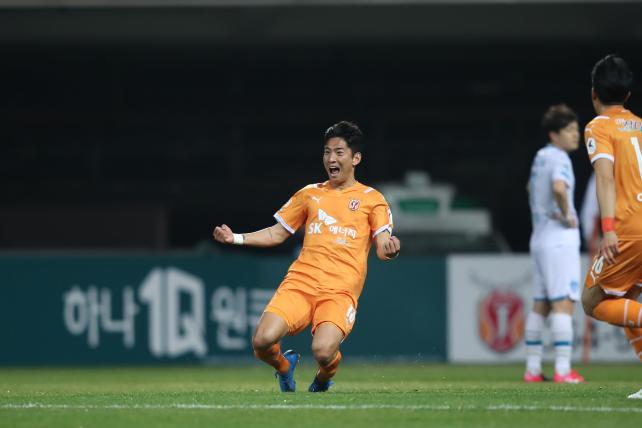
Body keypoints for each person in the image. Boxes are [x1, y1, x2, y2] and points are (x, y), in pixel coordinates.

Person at [212, 121, 401, 393]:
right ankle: (284, 367)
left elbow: (383, 246)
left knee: (323, 352)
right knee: (262, 342)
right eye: (327, 152)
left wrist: (390, 248)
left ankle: (324, 376)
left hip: (339, 292)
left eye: (339, 152)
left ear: (356, 158)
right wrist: (236, 238)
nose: (331, 159)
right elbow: (277, 233)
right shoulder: (310, 194)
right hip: (300, 283)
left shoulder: (373, 200)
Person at [581, 54, 642, 400]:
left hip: (627, 227)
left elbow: (604, 177)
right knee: (627, 298)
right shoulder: (641, 125)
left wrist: (608, 228)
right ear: (628, 95)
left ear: (594, 93)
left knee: (592, 301)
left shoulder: (599, 126)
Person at [524, 104, 585, 383]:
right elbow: (559, 188)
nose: (576, 134)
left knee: (541, 304)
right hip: (559, 239)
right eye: (569, 130)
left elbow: (530, 188)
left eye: (576, 129)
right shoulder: (560, 158)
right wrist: (566, 214)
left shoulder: (540, 157)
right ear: (554, 134)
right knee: (563, 302)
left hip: (539, 237)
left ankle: (532, 369)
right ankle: (563, 369)